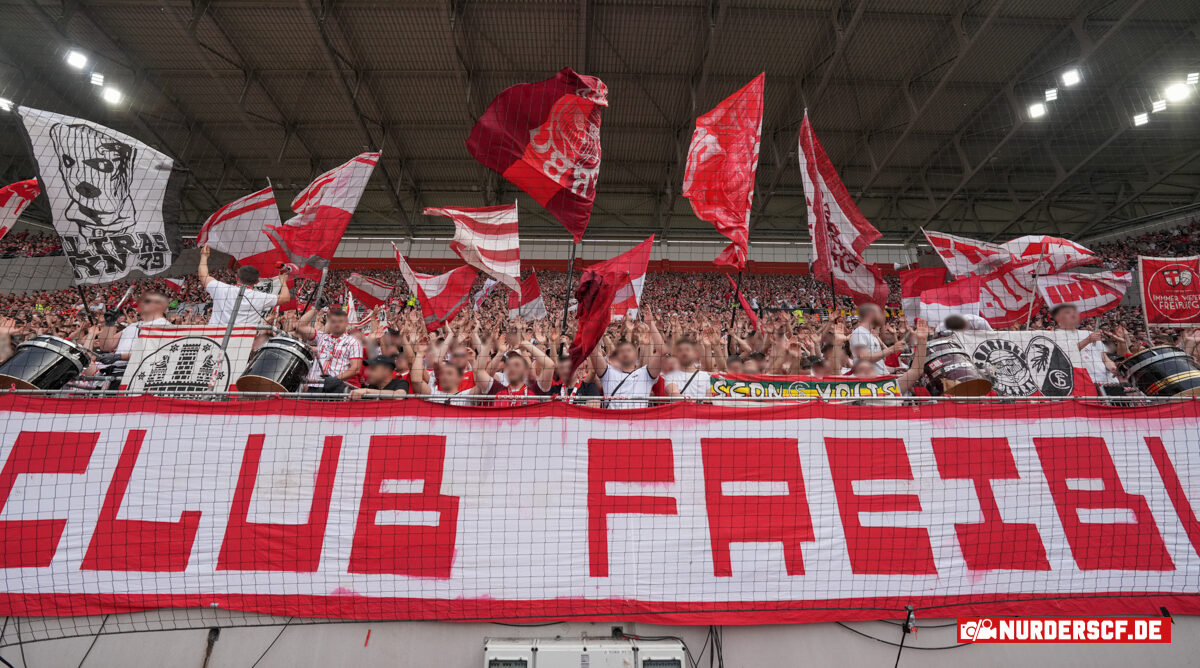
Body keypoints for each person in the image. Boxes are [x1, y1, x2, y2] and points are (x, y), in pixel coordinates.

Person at [198, 245, 290, 327]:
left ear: (237, 277)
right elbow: (285, 298)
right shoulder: (259, 297)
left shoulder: (221, 289)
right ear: (257, 281)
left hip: (214, 337)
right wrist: (283, 281)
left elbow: (203, 276)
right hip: (243, 338)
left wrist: (204, 257)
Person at [589, 312, 666, 409]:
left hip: (637, 418)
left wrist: (651, 324)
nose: (625, 353)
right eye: (621, 351)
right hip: (614, 418)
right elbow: (593, 351)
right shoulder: (608, 373)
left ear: (636, 356)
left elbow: (662, 352)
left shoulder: (645, 374)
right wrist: (603, 324)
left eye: (629, 350)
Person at [1051, 303, 1127, 390]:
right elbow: (1065, 354)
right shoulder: (1055, 335)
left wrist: (1112, 367)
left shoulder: (1089, 333)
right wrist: (1087, 340)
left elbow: (1104, 358)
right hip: (1085, 382)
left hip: (1107, 381)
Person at [295, 307, 364, 391]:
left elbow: (356, 369)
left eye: (340, 321)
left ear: (346, 323)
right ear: (329, 323)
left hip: (335, 387)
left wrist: (335, 379)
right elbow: (299, 326)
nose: (337, 324)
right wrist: (315, 309)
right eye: (333, 321)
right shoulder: (321, 336)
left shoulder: (353, 342)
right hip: (314, 385)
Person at [97, 290, 170, 363]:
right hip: (113, 366)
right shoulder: (132, 326)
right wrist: (109, 324)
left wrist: (119, 357)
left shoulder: (164, 327)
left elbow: (154, 354)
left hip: (135, 367)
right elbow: (105, 347)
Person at [850, 304, 902, 375]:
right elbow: (864, 358)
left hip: (881, 377)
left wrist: (894, 369)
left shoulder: (871, 334)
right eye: (880, 313)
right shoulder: (859, 332)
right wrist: (891, 349)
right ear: (870, 315)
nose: (883, 316)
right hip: (870, 380)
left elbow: (877, 365)